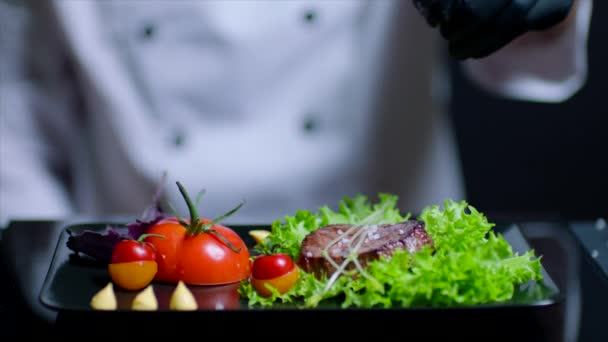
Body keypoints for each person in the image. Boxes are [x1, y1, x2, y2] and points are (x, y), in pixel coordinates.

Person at [0, 0, 593, 229]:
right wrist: (51, 289)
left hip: (388, 262)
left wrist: (543, 8)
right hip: (153, 273)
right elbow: (14, 114)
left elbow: (525, 55)